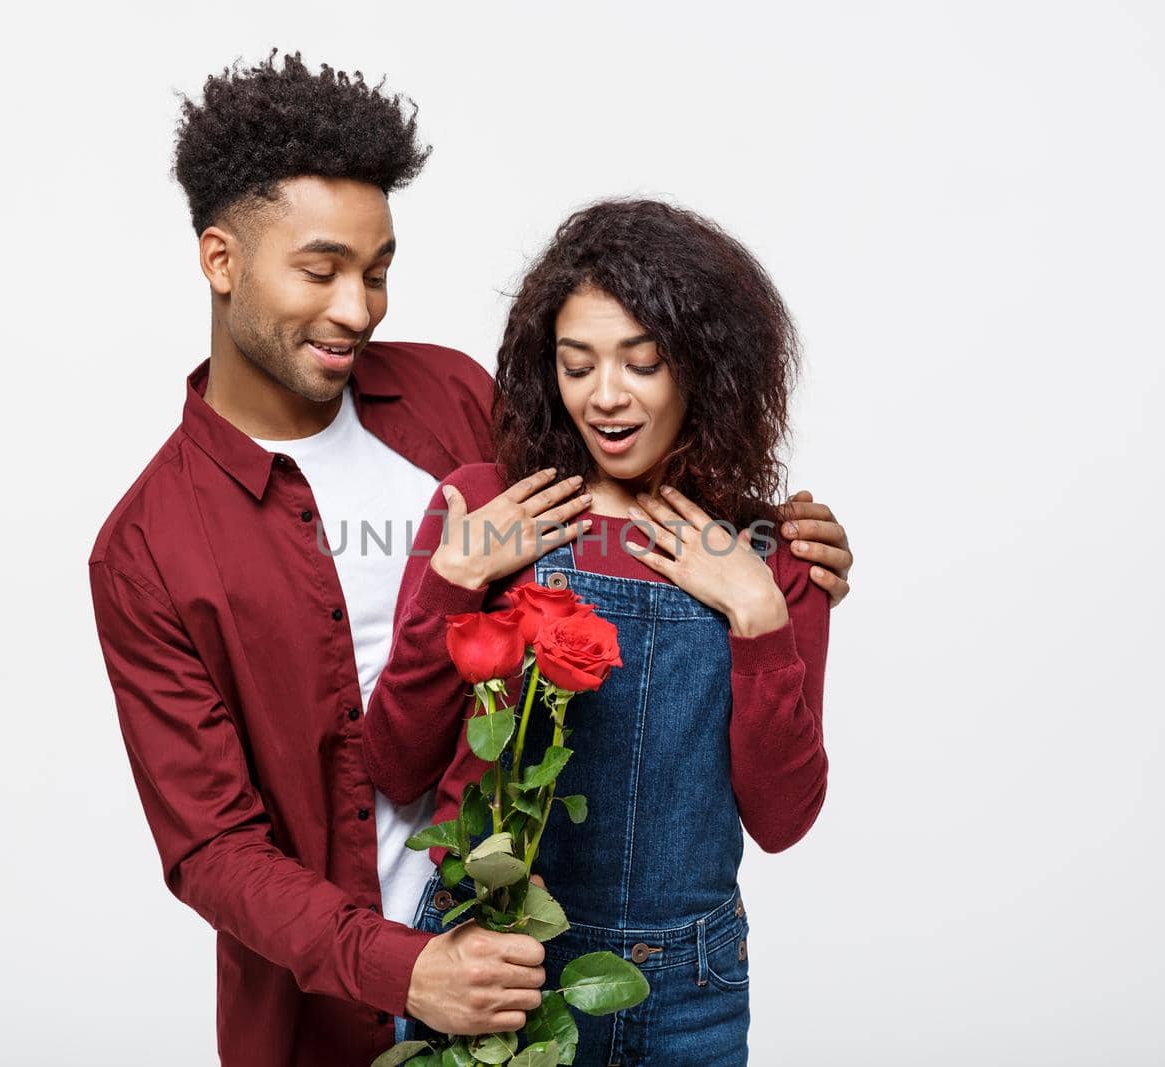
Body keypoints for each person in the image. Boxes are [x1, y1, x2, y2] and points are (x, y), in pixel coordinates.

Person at [87, 53, 855, 1067]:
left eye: (378, 269)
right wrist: (402, 966)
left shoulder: (449, 398)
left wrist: (780, 548)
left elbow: (619, 485)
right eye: (320, 271)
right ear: (221, 259)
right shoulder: (149, 549)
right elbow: (211, 846)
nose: (360, 308)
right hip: (347, 1002)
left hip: (580, 958)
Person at [366, 199, 834, 1064]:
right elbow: (394, 764)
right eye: (576, 365)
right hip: (496, 964)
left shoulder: (777, 555)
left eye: (642, 363)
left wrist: (762, 619)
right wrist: (453, 583)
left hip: (689, 990)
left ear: (705, 369)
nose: (605, 397)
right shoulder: (486, 506)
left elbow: (784, 816)